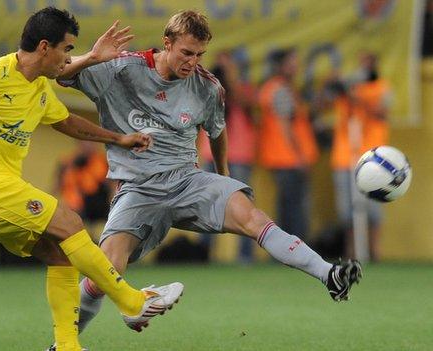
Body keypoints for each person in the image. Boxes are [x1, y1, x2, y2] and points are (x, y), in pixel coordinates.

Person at [57, 10, 363, 334]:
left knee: (253, 218)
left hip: (188, 179)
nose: (192, 62)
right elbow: (60, 74)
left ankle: (328, 274)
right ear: (167, 43)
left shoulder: (207, 87)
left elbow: (217, 132)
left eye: (200, 54)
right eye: (186, 53)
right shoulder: (121, 69)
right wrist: (91, 57)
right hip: (138, 187)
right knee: (105, 271)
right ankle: (63, 342)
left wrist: (224, 175)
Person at [0, 7, 183, 351]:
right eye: (67, 48)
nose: (68, 57)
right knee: (70, 222)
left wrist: (118, 138)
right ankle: (132, 302)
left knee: (59, 254)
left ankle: (66, 346)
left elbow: (67, 122)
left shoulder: (38, 89)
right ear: (44, 47)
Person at [331, 53, 392, 262]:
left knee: (374, 209)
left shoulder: (381, 87)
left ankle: (375, 252)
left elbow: (383, 112)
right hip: (344, 157)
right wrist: (336, 84)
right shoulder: (346, 89)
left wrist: (358, 98)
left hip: (374, 158)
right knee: (347, 211)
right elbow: (324, 103)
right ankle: (352, 253)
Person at [258, 48, 318, 240]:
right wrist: (300, 156)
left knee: (288, 206)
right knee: (294, 208)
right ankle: (296, 252)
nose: (296, 66)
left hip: (283, 157)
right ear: (281, 65)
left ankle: (286, 250)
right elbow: (285, 126)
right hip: (288, 158)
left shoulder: (278, 88)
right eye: (292, 62)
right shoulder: (280, 90)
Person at [210, 50, 258, 263]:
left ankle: (245, 255)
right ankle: (204, 256)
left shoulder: (244, 88)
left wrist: (231, 77)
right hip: (209, 153)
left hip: (238, 154)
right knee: (204, 205)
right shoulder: (206, 87)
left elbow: (247, 105)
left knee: (242, 206)